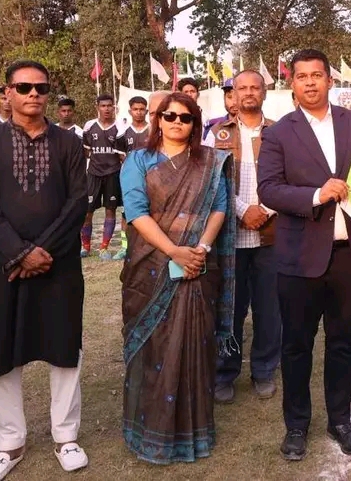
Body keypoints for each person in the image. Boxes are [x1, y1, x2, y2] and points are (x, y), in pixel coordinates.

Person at [0, 61, 90, 481]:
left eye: (41, 87)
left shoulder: (69, 143)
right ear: (7, 92)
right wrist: (19, 253)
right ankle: (9, 442)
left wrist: (41, 251)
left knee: (64, 345)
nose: (33, 94)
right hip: (1, 264)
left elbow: (78, 202)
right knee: (1, 347)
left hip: (58, 263)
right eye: (23, 87)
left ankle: (66, 436)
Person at [258, 49, 351, 461]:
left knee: (342, 342)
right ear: (291, 83)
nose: (310, 82)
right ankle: (296, 425)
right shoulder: (279, 133)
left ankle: (340, 421)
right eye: (302, 76)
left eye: (317, 75)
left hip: (350, 256)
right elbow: (269, 189)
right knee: (296, 345)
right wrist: (316, 194)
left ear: (330, 80)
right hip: (299, 256)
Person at [119, 92, 235, 464]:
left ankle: (193, 435)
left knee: (194, 345)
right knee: (153, 347)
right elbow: (136, 212)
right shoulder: (138, 160)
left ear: (195, 123)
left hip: (197, 265)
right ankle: (147, 434)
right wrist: (174, 251)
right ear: (159, 120)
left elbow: (219, 208)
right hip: (150, 266)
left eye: (185, 118)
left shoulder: (210, 161)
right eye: (169, 116)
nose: (176, 123)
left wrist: (199, 248)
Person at [207, 70, 281, 404]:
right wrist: (241, 210)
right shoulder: (215, 134)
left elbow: (291, 178)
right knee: (229, 310)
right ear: (233, 94)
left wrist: (264, 209)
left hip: (271, 236)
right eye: (242, 88)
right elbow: (211, 182)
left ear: (264, 92)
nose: (249, 92)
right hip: (230, 239)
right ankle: (225, 372)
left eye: (255, 87)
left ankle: (264, 370)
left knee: (269, 310)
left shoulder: (280, 132)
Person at [81, 94, 127, 259]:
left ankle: (104, 248)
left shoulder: (120, 127)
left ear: (114, 107)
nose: (106, 109)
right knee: (87, 212)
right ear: (97, 107)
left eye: (109, 106)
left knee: (110, 210)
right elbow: (86, 152)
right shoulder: (89, 126)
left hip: (113, 173)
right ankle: (85, 247)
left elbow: (122, 155)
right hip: (93, 174)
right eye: (103, 106)